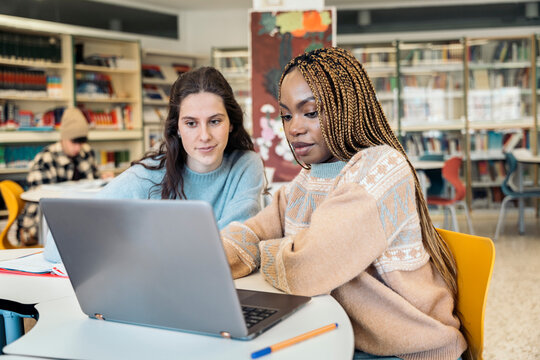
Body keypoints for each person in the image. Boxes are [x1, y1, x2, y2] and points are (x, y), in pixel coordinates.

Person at [220, 48, 467, 360]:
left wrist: (266, 251)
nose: (293, 127)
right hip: (348, 338)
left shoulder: (380, 168)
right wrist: (208, 259)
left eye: (310, 112)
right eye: (286, 114)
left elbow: (308, 269)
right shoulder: (308, 178)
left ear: (345, 108)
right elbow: (255, 230)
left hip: (408, 350)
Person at [44, 66, 265, 262]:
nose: (204, 135)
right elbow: (57, 245)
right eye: (191, 123)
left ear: (231, 124)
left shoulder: (246, 165)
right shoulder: (149, 174)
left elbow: (236, 244)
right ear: (177, 128)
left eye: (215, 121)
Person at [18, 107, 101, 246]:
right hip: (46, 220)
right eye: (74, 142)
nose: (78, 148)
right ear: (63, 137)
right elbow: (39, 195)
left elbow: (95, 180)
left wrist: (102, 179)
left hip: (80, 214)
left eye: (81, 142)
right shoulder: (46, 158)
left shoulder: (86, 153)